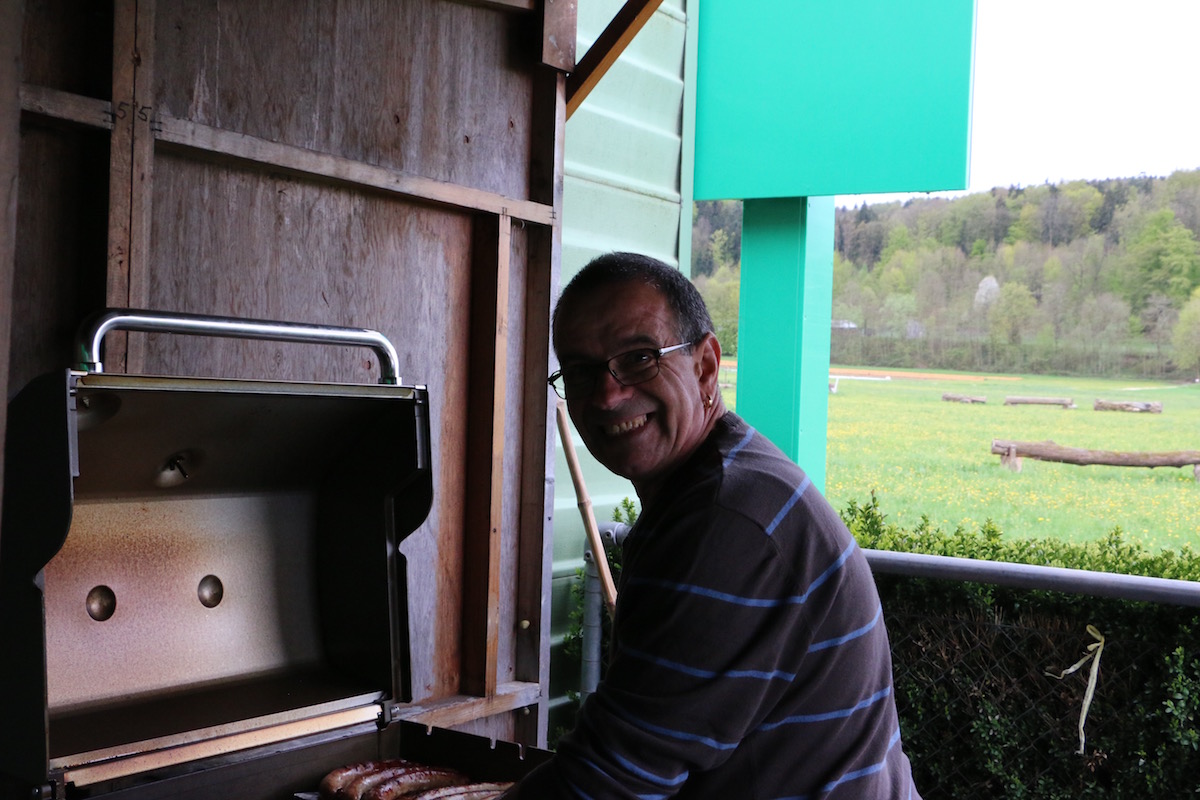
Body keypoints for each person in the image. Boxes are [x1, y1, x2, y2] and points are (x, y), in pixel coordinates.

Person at [506, 252, 920, 798]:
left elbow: (614, 779)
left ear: (705, 366)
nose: (608, 394)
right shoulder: (712, 487)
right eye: (582, 371)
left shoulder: (727, 522)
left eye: (639, 358)